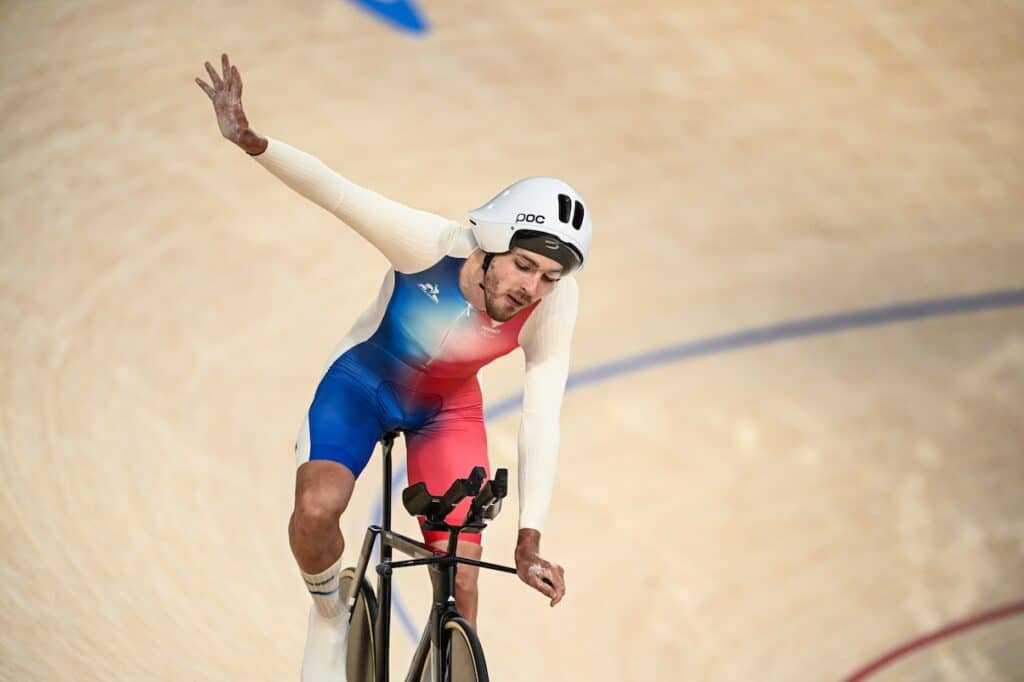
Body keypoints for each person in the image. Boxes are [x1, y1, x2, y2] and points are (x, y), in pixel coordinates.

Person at [196, 53, 590, 681]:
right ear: (490, 244)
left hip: (445, 410)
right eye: (522, 266)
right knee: (318, 509)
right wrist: (253, 141)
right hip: (363, 386)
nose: (531, 289)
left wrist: (530, 538)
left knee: (462, 577)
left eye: (548, 277)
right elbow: (340, 193)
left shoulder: (553, 304)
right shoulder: (428, 245)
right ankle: (331, 611)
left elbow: (543, 414)